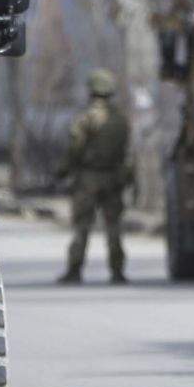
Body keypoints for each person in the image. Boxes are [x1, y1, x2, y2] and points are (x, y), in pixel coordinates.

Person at [57, 69, 134, 285]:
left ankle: (75, 270)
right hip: (113, 178)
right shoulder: (120, 119)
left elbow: (75, 147)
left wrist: (64, 170)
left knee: (82, 226)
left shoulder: (86, 117)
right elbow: (128, 152)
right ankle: (117, 271)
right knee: (114, 228)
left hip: (88, 178)